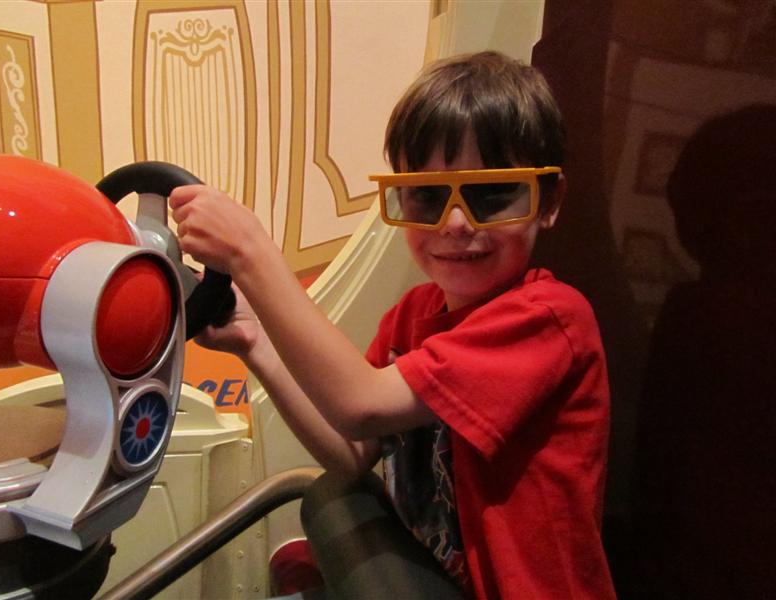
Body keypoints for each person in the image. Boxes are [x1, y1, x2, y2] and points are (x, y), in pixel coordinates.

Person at [169, 51, 615, 599]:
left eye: (492, 194)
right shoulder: (413, 315)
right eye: (427, 197)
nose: (456, 223)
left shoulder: (548, 319)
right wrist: (255, 342)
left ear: (549, 201)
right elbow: (352, 450)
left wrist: (251, 253)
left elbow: (361, 404)